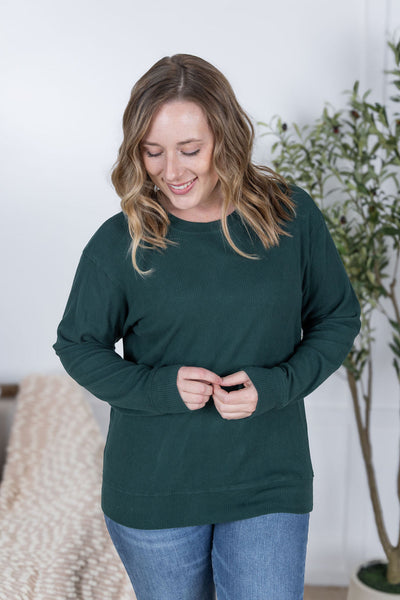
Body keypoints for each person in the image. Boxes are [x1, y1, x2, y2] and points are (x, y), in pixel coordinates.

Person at [53, 54, 361, 600]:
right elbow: (78, 345)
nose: (171, 170)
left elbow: (336, 317)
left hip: (268, 479)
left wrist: (277, 385)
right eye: (153, 151)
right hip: (154, 490)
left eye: (190, 149)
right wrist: (157, 386)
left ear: (226, 137)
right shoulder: (119, 242)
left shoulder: (290, 217)